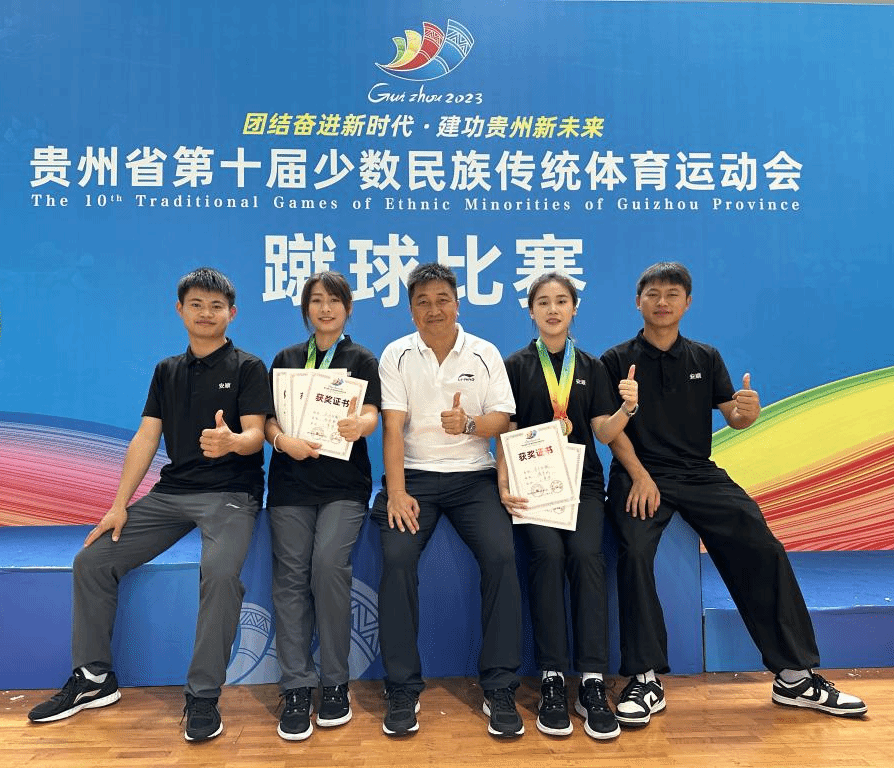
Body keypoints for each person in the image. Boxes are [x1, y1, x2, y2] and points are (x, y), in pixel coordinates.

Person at [599, 261, 867, 727]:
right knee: (635, 552)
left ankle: (794, 676)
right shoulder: (615, 359)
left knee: (761, 544)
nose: (662, 302)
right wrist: (639, 475)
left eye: (672, 294)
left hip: (698, 473)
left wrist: (748, 412)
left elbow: (734, 416)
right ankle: (644, 679)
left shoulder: (705, 357)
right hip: (639, 473)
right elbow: (609, 430)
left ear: (687, 303)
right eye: (653, 294)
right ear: (637, 301)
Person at [27, 267, 270, 743]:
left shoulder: (248, 367)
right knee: (93, 560)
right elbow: (146, 436)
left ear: (232, 313)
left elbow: (256, 434)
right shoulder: (167, 370)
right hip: (171, 494)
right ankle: (94, 678)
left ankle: (203, 695)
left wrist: (232, 441)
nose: (206, 313)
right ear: (179, 310)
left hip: (231, 495)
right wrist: (118, 505)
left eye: (216, 306)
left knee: (220, 575)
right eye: (196, 304)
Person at [372, 262, 524, 738]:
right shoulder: (396, 354)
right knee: (397, 558)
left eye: (442, 300)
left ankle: (499, 686)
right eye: (423, 302)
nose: (433, 310)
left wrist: (471, 425)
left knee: (501, 556)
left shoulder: (484, 353)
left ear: (457, 304)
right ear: (411, 310)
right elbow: (392, 428)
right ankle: (402, 687)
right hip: (415, 476)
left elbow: (505, 420)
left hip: (473, 477)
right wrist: (397, 491)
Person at [497, 272, 638, 740]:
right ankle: (553, 677)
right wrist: (503, 481)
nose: (553, 309)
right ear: (531, 311)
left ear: (574, 308)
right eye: (543, 302)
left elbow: (602, 431)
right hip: (533, 488)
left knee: (585, 556)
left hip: (582, 486)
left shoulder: (591, 366)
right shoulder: (515, 365)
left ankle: (592, 680)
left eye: (561, 301)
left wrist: (626, 411)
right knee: (547, 556)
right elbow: (506, 429)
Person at [264, 271, 381, 741]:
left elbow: (372, 412)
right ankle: (296, 686)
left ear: (348, 308)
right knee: (290, 579)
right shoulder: (286, 359)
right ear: (306, 309)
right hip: (290, 485)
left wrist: (361, 426)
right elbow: (269, 420)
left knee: (329, 567)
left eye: (334, 300)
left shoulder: (361, 359)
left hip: (343, 487)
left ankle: (335, 682)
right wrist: (281, 440)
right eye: (316, 301)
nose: (325, 308)